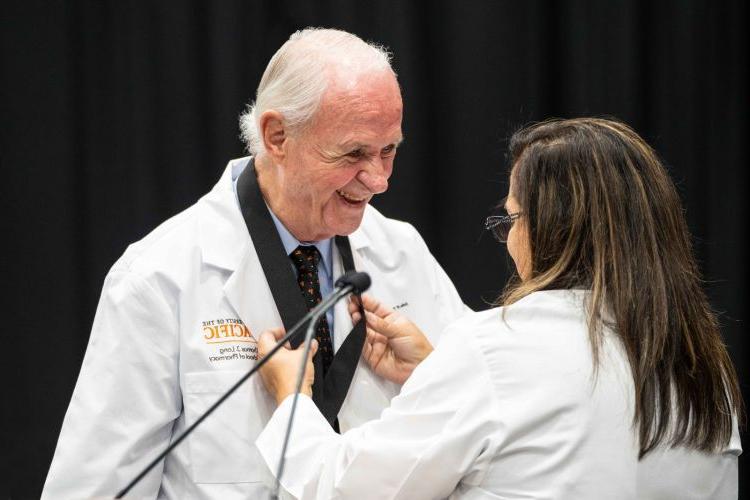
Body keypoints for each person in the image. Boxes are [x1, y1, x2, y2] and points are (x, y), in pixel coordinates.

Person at [42, 28, 468, 499]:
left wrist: (432, 373)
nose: (380, 179)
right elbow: (94, 490)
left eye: (389, 150)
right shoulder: (158, 278)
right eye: (354, 154)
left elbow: (484, 434)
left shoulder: (402, 251)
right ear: (277, 136)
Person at [255, 117, 743, 499]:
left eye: (510, 219)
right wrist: (435, 371)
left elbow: (344, 488)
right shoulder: (704, 366)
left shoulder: (494, 350)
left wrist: (290, 398)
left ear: (553, 226)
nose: (508, 240)